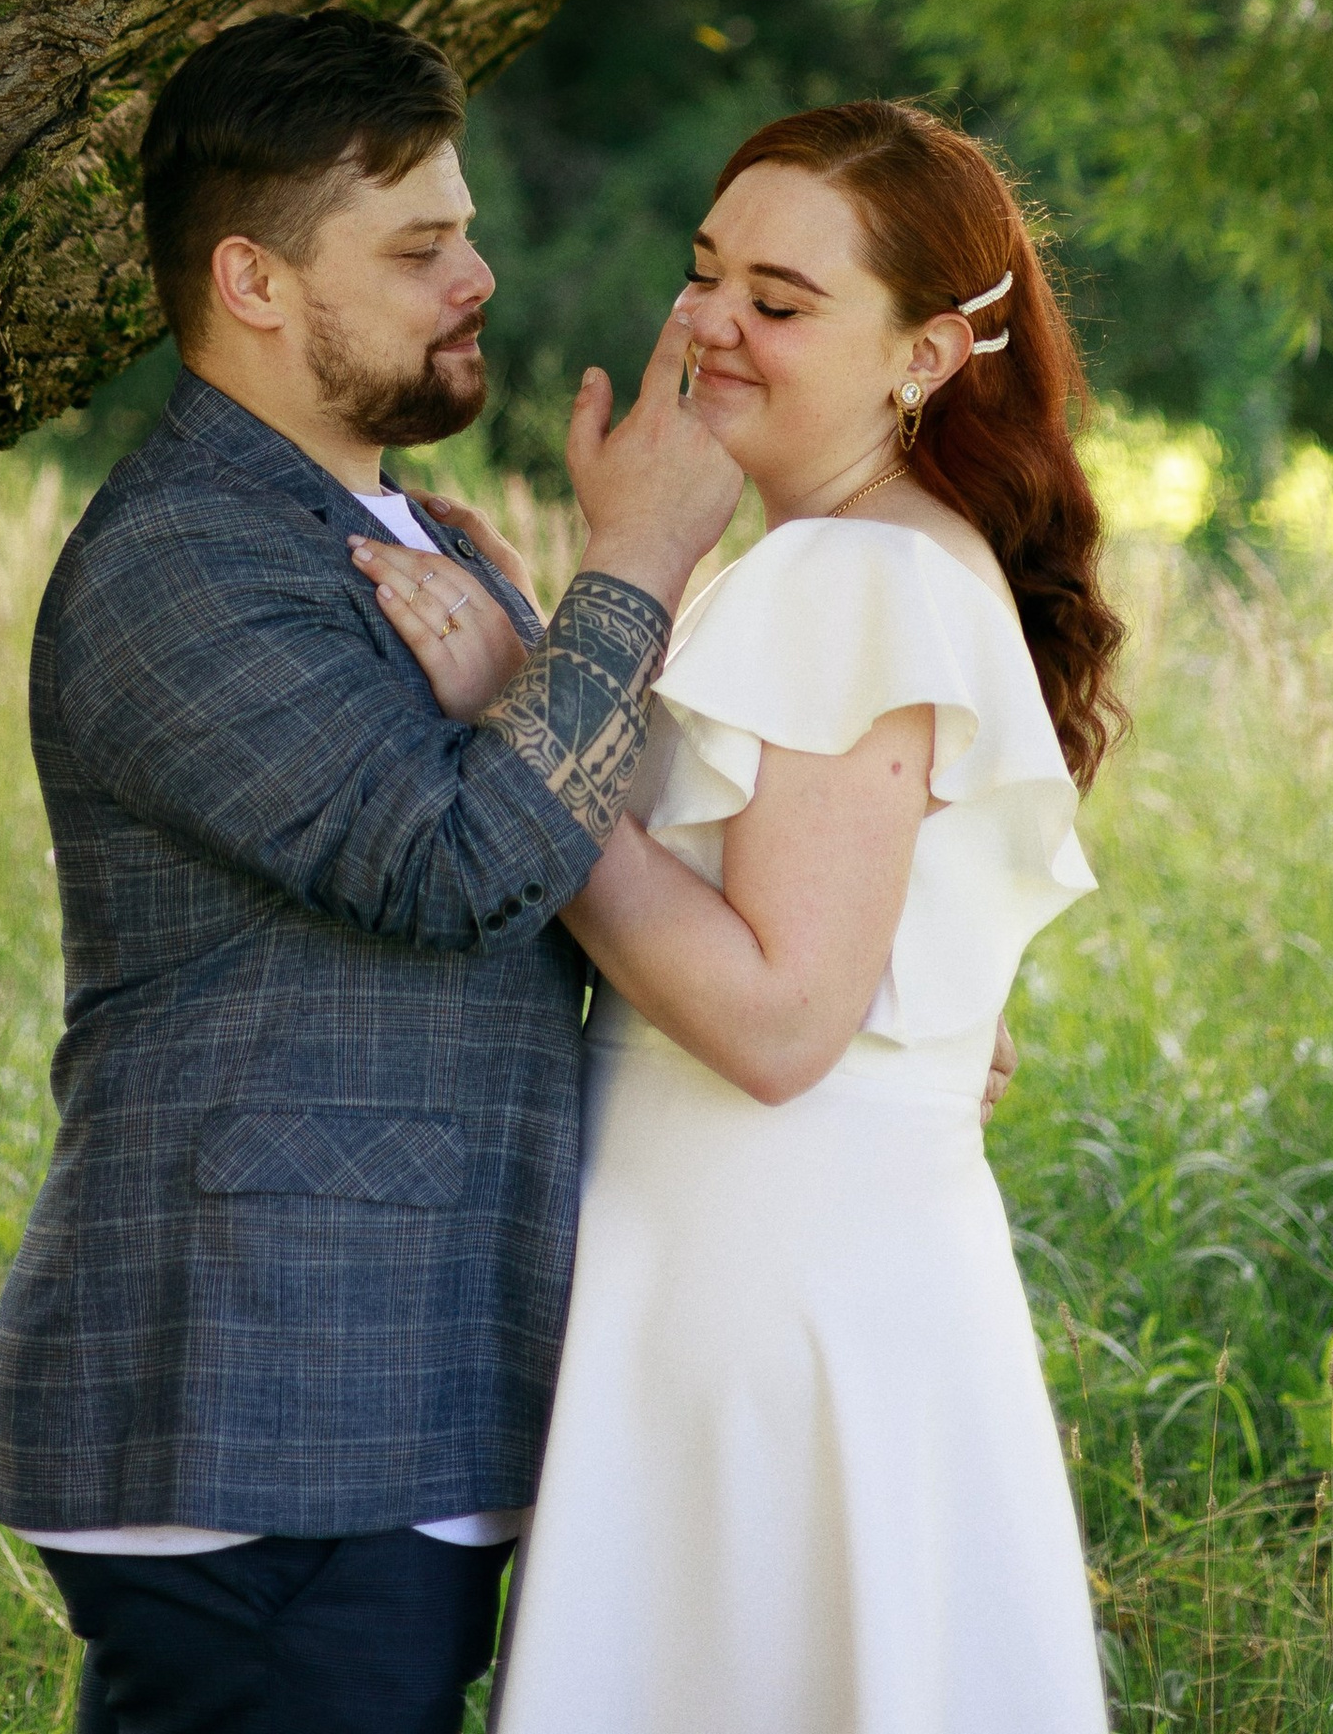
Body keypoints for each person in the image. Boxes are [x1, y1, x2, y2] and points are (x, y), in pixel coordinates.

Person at [0, 6, 743, 1734]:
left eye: (463, 229)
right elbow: (462, 864)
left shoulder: (396, 529)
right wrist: (642, 560)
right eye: (417, 246)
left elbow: (565, 846)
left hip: (400, 1394)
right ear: (253, 280)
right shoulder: (182, 565)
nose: (475, 275)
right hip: (266, 1409)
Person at [357, 98, 1126, 1734]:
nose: (711, 320)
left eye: (782, 302)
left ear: (925, 356)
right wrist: (579, 616)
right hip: (769, 1271)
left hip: (768, 1289)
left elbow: (780, 1022)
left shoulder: (853, 578)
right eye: (708, 271)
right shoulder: (830, 562)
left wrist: (525, 718)